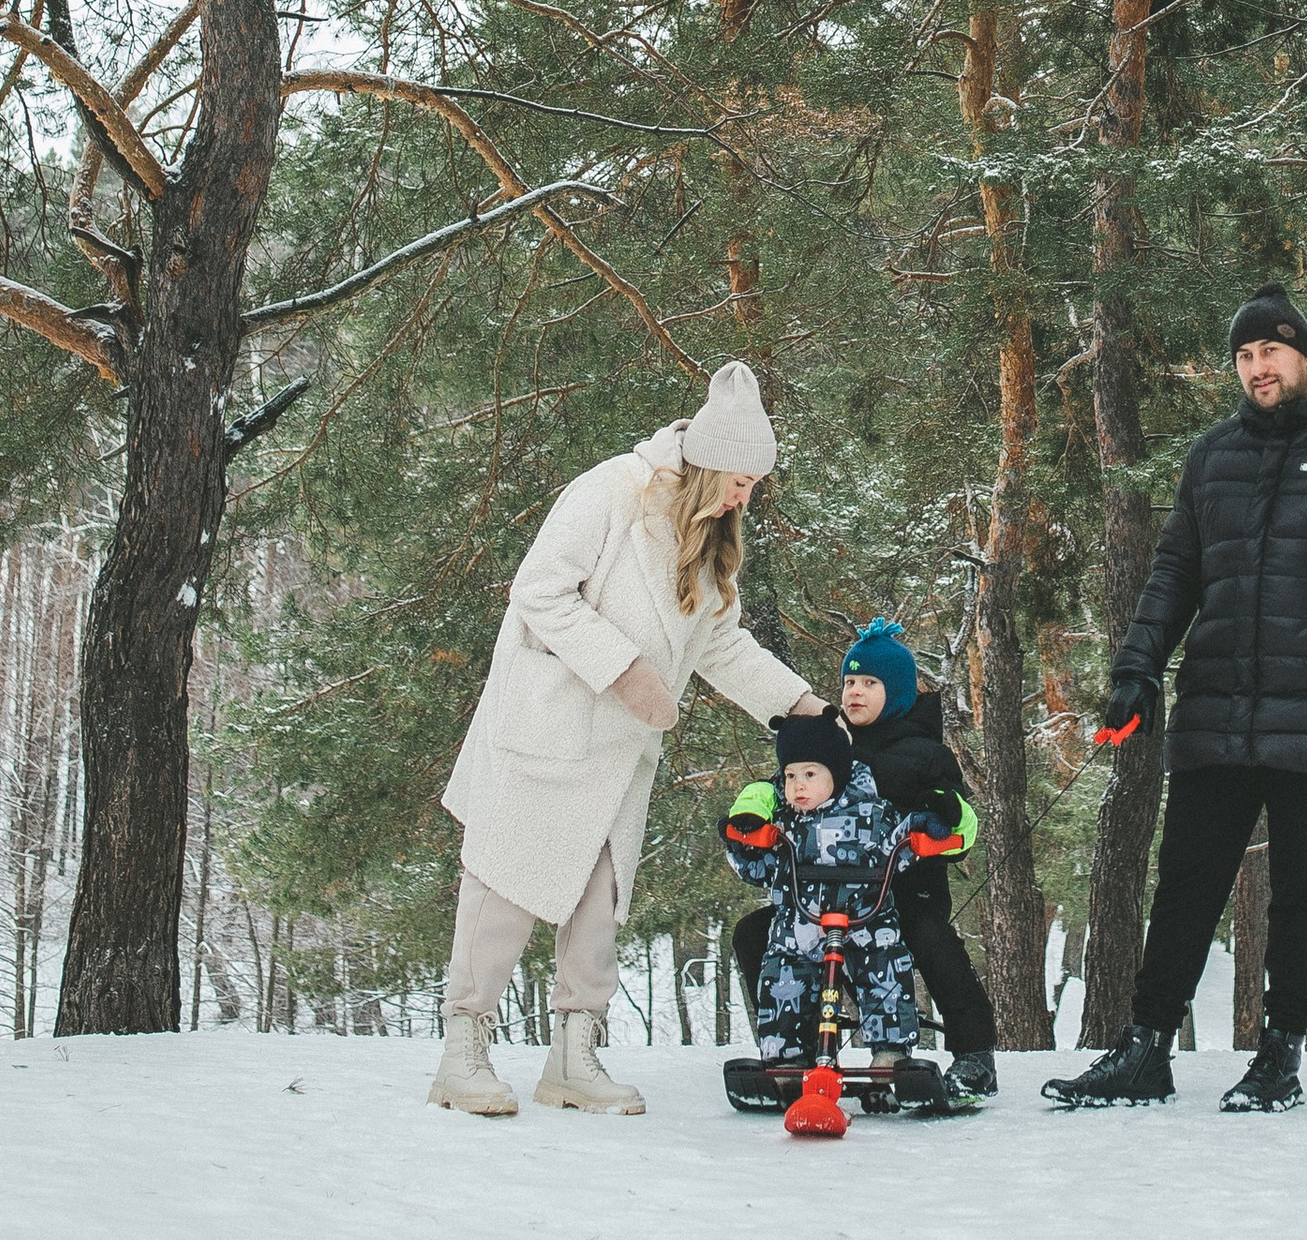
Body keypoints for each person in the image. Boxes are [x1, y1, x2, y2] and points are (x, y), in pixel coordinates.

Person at [1045, 284, 1307, 1117]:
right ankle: (1145, 1050)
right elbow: (1175, 571)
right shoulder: (1213, 456)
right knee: (1185, 882)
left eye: (1270, 353)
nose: (1256, 369)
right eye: (1244, 356)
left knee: (1304, 889)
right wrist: (1137, 667)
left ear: (1306, 356)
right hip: (1217, 707)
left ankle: (1279, 1054)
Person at [429, 358, 823, 1118]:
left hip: (621, 749)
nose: (749, 496)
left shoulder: (710, 538)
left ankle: (574, 1058)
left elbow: (721, 646)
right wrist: (627, 671)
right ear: (713, 466)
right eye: (742, 482)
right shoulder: (610, 490)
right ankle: (462, 1050)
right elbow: (539, 589)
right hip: (548, 725)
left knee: (599, 896)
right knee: (504, 882)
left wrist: (799, 705)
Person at [728, 620, 1001, 1096]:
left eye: (869, 683)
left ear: (894, 690)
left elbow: (961, 821)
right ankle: (794, 1053)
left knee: (929, 934)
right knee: (755, 932)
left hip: (896, 891)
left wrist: (941, 814)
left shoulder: (925, 753)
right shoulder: (827, 743)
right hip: (820, 890)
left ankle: (974, 1054)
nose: (855, 693)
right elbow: (780, 787)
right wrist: (753, 818)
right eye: (849, 682)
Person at [721, 708, 931, 1074]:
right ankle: (786, 1062)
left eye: (810, 774)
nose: (797, 785)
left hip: (866, 920)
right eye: (789, 776)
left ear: (836, 772)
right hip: (799, 924)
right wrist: (744, 842)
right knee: (782, 977)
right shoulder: (785, 825)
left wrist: (935, 826)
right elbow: (758, 869)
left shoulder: (873, 815)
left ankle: (891, 1054)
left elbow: (905, 841)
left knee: (886, 970)